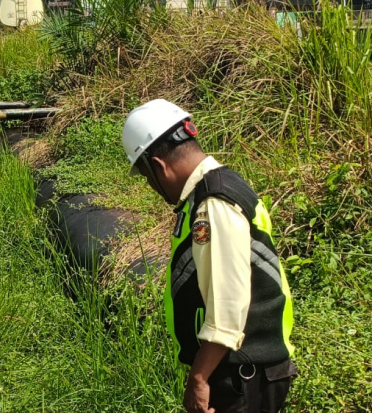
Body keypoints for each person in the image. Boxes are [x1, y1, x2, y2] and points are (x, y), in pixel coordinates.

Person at [121, 99, 297, 413]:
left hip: (242, 376)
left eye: (147, 178)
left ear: (159, 166)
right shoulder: (220, 187)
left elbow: (228, 306)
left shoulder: (213, 202)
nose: (152, 187)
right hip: (245, 370)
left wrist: (198, 378)